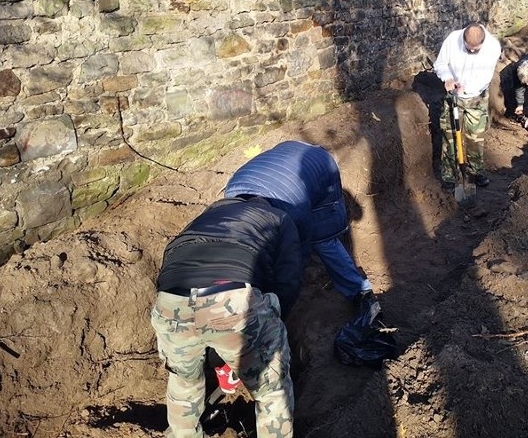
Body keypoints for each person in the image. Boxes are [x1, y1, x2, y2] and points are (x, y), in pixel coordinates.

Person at [211, 141, 376, 388]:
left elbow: (298, 254)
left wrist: (276, 307)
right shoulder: (232, 195)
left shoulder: (295, 213)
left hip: (320, 167)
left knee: (324, 239)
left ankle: (358, 288)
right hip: (282, 163)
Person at [151, 196, 301, 438]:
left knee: (183, 380)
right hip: (232, 299)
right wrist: (265, 336)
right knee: (271, 389)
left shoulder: (199, 221)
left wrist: (218, 349)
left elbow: (176, 283)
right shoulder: (279, 218)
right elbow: (287, 282)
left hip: (170, 302)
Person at [433, 22, 502, 191]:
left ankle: (475, 172)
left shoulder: (493, 47)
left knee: (475, 137)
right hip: (452, 96)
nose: (471, 51)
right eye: (468, 47)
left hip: (476, 97)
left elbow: (484, 78)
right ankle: (449, 175)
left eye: (475, 49)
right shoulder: (452, 40)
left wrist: (466, 88)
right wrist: (448, 78)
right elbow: (440, 64)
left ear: (483, 42)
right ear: (463, 37)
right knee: (449, 136)